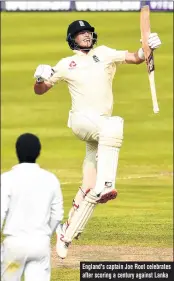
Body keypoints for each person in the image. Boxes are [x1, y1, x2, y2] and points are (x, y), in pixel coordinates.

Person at [33, 20, 161, 259]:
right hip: (83, 122)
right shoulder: (65, 64)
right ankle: (108, 185)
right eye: (81, 34)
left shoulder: (104, 54)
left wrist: (148, 48)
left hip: (100, 127)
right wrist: (39, 79)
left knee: (91, 186)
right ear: (72, 38)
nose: (86, 36)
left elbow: (135, 57)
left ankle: (66, 235)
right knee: (114, 126)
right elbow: (41, 90)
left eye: (88, 33)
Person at [1, 133, 64, 281]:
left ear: (16, 151)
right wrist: (45, 234)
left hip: (14, 247)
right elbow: (57, 215)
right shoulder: (50, 179)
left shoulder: (6, 179)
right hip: (40, 244)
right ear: (39, 152)